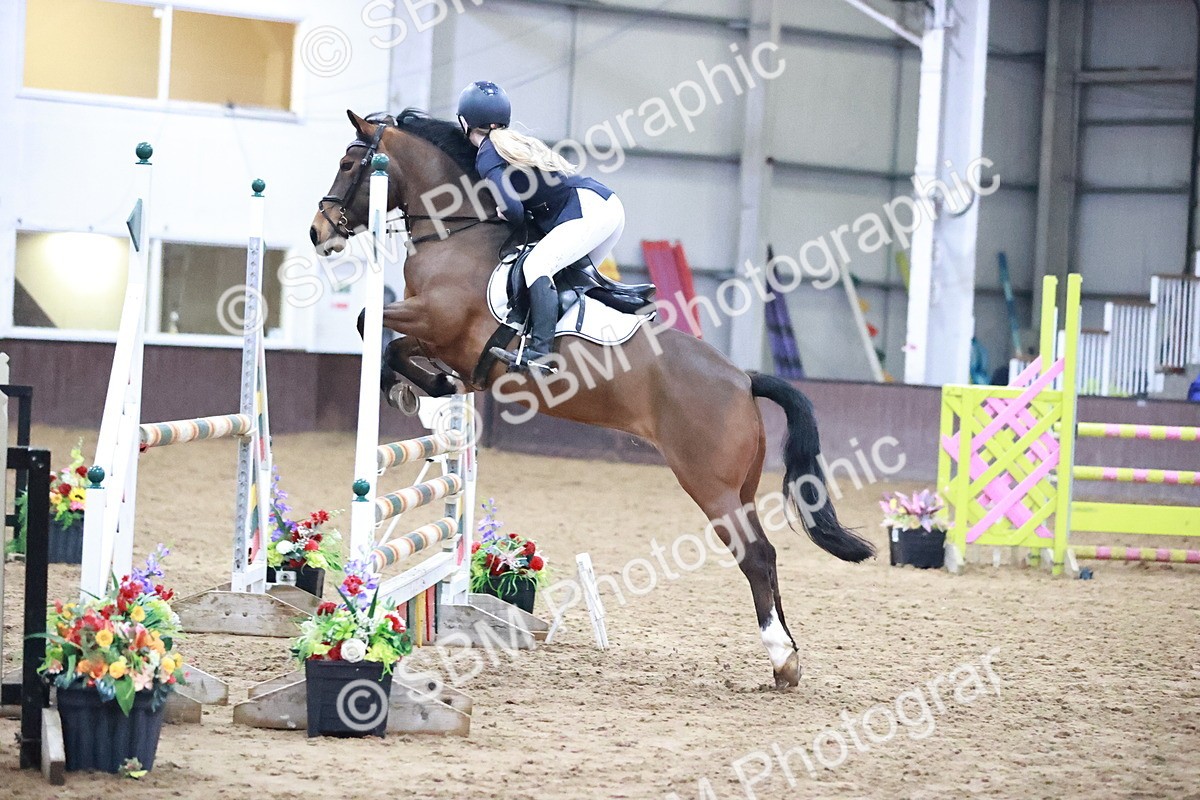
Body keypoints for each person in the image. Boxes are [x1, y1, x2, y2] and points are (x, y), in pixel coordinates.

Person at [457, 80, 625, 374]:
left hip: (587, 211)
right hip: (605, 207)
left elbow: (514, 210)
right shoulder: (513, 143)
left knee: (535, 267)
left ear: (465, 122)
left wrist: (502, 212)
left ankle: (540, 355)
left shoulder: (487, 153)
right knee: (566, 281)